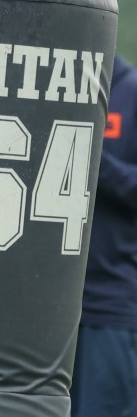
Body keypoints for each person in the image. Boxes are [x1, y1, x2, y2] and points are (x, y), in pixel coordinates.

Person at [70, 55, 137, 417]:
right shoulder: (58, 86)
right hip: (47, 311)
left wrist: (93, 158)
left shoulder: (131, 92)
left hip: (108, 307)